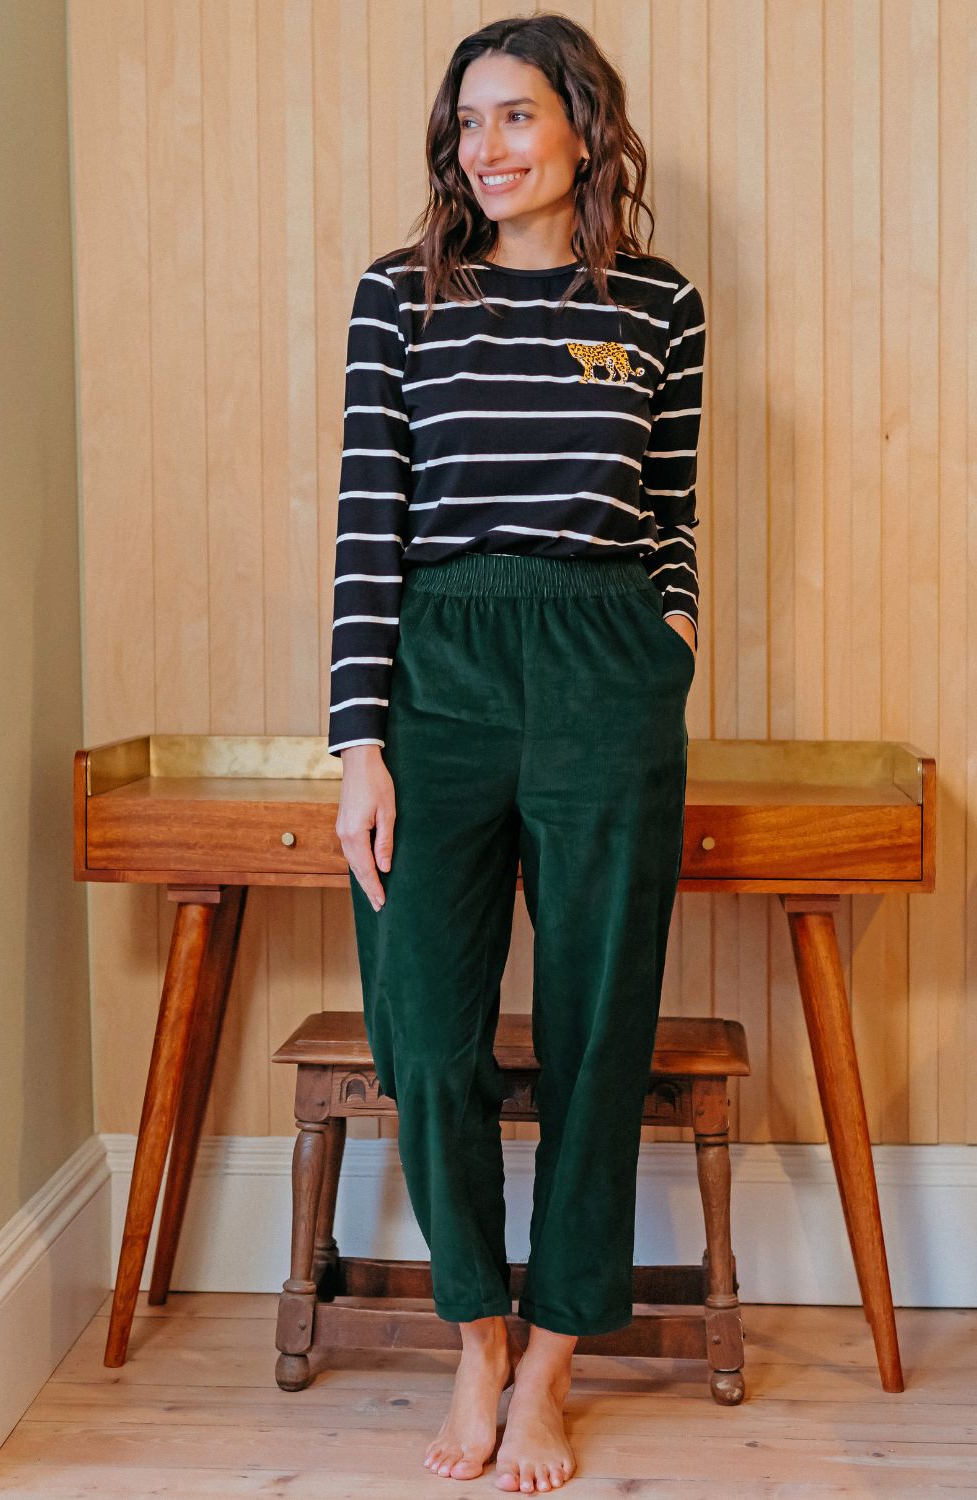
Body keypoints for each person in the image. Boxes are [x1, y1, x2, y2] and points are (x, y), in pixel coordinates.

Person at [328, 13, 705, 1493]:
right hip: (440, 664)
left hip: (606, 665)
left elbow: (670, 509)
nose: (485, 147)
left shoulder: (660, 304)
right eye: (467, 121)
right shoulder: (401, 297)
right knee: (426, 1031)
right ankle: (476, 1332)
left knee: (599, 1028)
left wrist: (669, 638)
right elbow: (370, 524)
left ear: (583, 128)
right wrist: (360, 742)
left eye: (516, 115)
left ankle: (552, 1360)